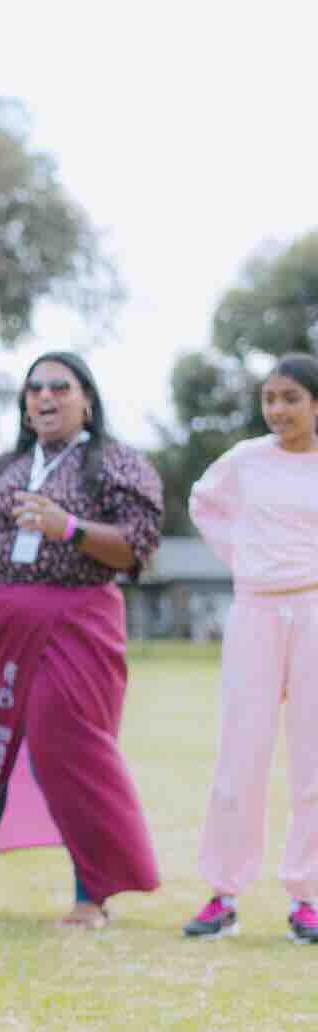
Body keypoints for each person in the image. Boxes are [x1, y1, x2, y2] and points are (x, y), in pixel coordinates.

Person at [0, 351, 163, 927]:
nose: (44, 398)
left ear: (87, 400)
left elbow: (138, 545)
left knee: (66, 746)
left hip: (76, 624)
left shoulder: (116, 464)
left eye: (59, 387)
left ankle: (90, 897)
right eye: (34, 390)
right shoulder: (5, 466)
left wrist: (67, 528)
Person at [182, 354, 318, 942]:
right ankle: (224, 893)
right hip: (254, 611)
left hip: (314, 608)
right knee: (241, 754)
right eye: (270, 398)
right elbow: (203, 503)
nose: (278, 409)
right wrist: (243, 556)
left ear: (315, 403)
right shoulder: (245, 461)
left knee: (314, 763)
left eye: (291, 397)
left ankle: (308, 898)